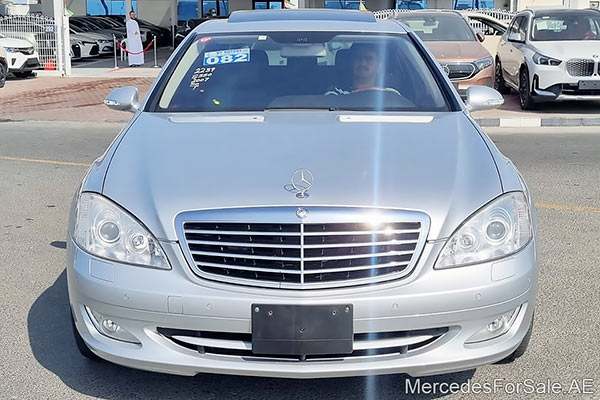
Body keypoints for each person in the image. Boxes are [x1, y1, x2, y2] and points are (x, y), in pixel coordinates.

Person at [325, 44, 400, 96]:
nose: (363, 63)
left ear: (379, 65)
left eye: (369, 59)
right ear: (351, 63)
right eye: (358, 58)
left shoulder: (391, 94)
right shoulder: (335, 95)